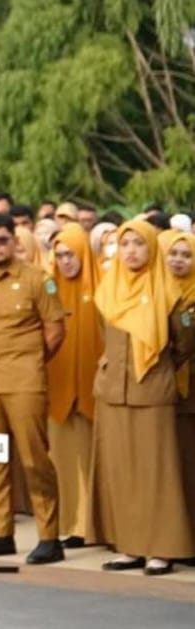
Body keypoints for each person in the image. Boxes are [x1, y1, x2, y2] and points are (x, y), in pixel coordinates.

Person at [0, 212, 67, 565]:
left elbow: (55, 331)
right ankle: (2, 532)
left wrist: (29, 359)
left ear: (14, 241)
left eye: (1, 240)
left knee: (34, 458)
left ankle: (49, 537)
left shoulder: (37, 279)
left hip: (24, 380)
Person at [93, 221, 195, 575]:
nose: (131, 251)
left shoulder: (169, 293)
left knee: (157, 474)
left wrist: (157, 369)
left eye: (139, 243)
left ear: (153, 249)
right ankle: (130, 546)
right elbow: (103, 337)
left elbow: (184, 344)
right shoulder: (107, 290)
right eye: (125, 244)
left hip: (152, 389)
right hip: (113, 390)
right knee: (122, 472)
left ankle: (161, 549)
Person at [47, 222, 103, 548]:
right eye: (60, 255)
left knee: (94, 461)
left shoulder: (104, 289)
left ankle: (95, 525)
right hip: (58, 389)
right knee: (63, 461)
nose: (66, 261)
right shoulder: (49, 291)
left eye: (71, 254)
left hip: (93, 391)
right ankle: (70, 524)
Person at [167, 228, 195, 559]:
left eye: (186, 255)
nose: (178, 260)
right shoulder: (158, 292)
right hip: (166, 391)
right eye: (173, 254)